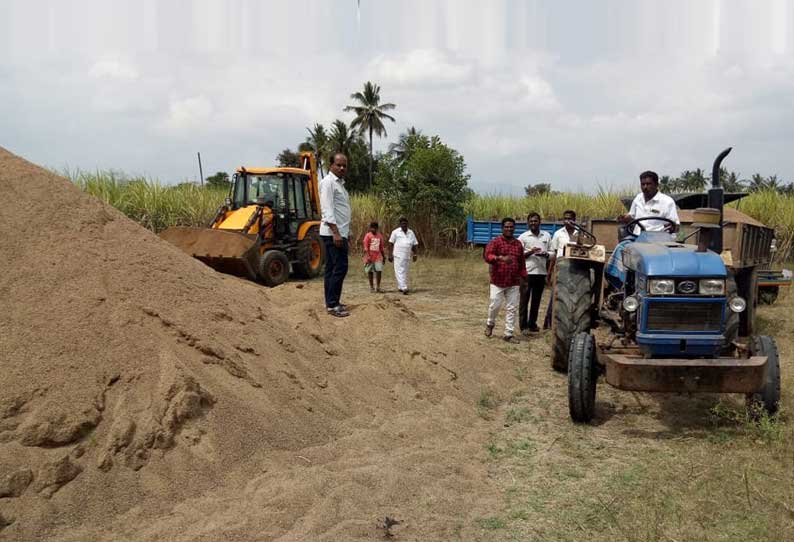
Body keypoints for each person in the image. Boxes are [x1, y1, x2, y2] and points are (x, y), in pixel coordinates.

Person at [607, 170, 680, 289]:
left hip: (659, 241)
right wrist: (624, 218)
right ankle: (621, 283)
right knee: (621, 248)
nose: (645, 187)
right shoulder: (638, 198)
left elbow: (676, 226)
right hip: (638, 239)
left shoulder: (667, 202)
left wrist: (673, 227)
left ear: (656, 185)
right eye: (643, 184)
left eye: (648, 184)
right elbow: (632, 216)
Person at [484, 217, 528, 343]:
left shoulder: (518, 244)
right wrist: (500, 258)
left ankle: (508, 334)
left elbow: (522, 263)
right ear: (502, 228)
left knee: (512, 308)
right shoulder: (496, 242)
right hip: (498, 281)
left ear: (514, 228)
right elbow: (488, 256)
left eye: (511, 227)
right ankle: (490, 323)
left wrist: (524, 277)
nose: (509, 229)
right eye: (506, 227)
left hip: (513, 281)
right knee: (495, 305)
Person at [319, 153, 352, 317]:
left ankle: (332, 302)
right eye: (338, 165)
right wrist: (336, 233)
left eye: (344, 165)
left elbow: (341, 211)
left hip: (340, 233)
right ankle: (332, 305)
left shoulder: (340, 185)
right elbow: (327, 209)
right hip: (333, 233)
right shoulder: (328, 183)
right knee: (340, 268)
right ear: (330, 165)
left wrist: (346, 233)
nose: (342, 168)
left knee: (332, 268)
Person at [517, 212, 551, 334]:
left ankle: (532, 324)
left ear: (539, 222)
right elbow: (518, 256)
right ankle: (523, 326)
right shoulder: (523, 237)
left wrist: (546, 254)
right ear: (528, 223)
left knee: (536, 300)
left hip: (541, 273)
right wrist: (531, 252)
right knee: (524, 300)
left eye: (535, 221)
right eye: (531, 221)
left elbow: (552, 253)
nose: (533, 223)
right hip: (526, 273)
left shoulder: (546, 236)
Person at [543, 209, 577, 329]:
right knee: (555, 295)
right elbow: (553, 254)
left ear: (574, 220)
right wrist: (549, 272)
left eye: (570, 218)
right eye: (565, 218)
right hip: (560, 267)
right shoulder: (558, 234)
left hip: (575, 269)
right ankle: (549, 323)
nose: (567, 221)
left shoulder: (579, 233)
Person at [388, 217, 419, 294]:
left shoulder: (411, 232)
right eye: (402, 223)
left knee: (405, 271)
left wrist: (415, 254)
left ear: (407, 224)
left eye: (405, 223)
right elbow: (390, 243)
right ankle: (404, 287)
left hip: (407, 255)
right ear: (400, 224)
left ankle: (400, 287)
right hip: (398, 255)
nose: (404, 225)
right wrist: (390, 254)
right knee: (399, 271)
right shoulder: (395, 232)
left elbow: (414, 244)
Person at [362, 221, 387, 293]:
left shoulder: (380, 236)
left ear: (377, 228)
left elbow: (381, 247)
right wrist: (368, 256)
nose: (373, 229)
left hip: (378, 256)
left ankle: (378, 287)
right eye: (372, 228)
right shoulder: (368, 235)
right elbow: (366, 247)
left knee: (379, 270)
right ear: (370, 228)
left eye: (375, 228)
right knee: (370, 272)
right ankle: (371, 287)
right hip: (369, 256)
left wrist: (384, 256)